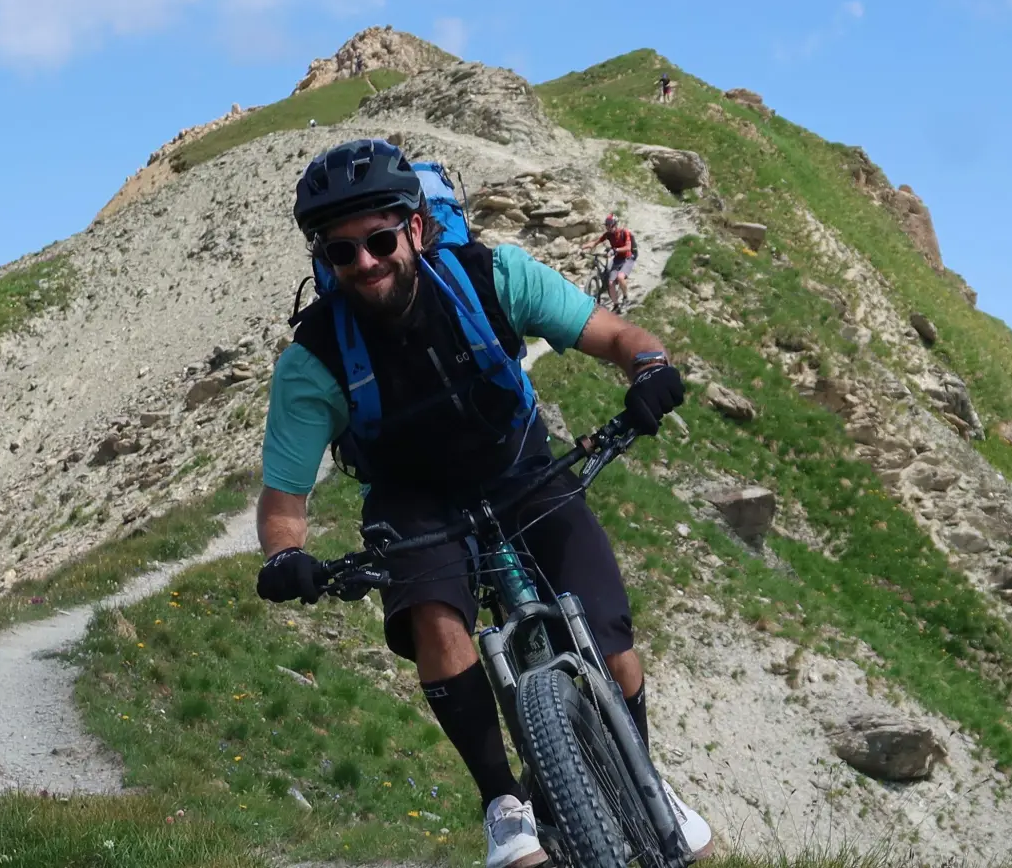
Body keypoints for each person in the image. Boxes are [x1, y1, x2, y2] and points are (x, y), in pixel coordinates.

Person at [254, 139, 713, 868]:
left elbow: (618, 335)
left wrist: (650, 368)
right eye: (343, 254)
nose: (366, 264)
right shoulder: (314, 358)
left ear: (416, 228)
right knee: (433, 615)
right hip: (413, 498)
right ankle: (503, 803)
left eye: (379, 240)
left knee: (609, 632)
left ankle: (643, 773)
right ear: (326, 261)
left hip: (518, 462)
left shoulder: (492, 277)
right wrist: (285, 555)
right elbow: (284, 498)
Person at [582, 214, 636, 313]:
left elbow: (628, 248)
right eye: (606, 225)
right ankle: (616, 305)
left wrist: (615, 250)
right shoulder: (608, 235)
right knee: (610, 283)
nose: (607, 227)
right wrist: (583, 247)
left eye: (609, 225)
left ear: (614, 224)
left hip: (627, 258)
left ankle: (625, 298)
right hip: (617, 259)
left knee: (620, 277)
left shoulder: (624, 232)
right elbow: (595, 242)